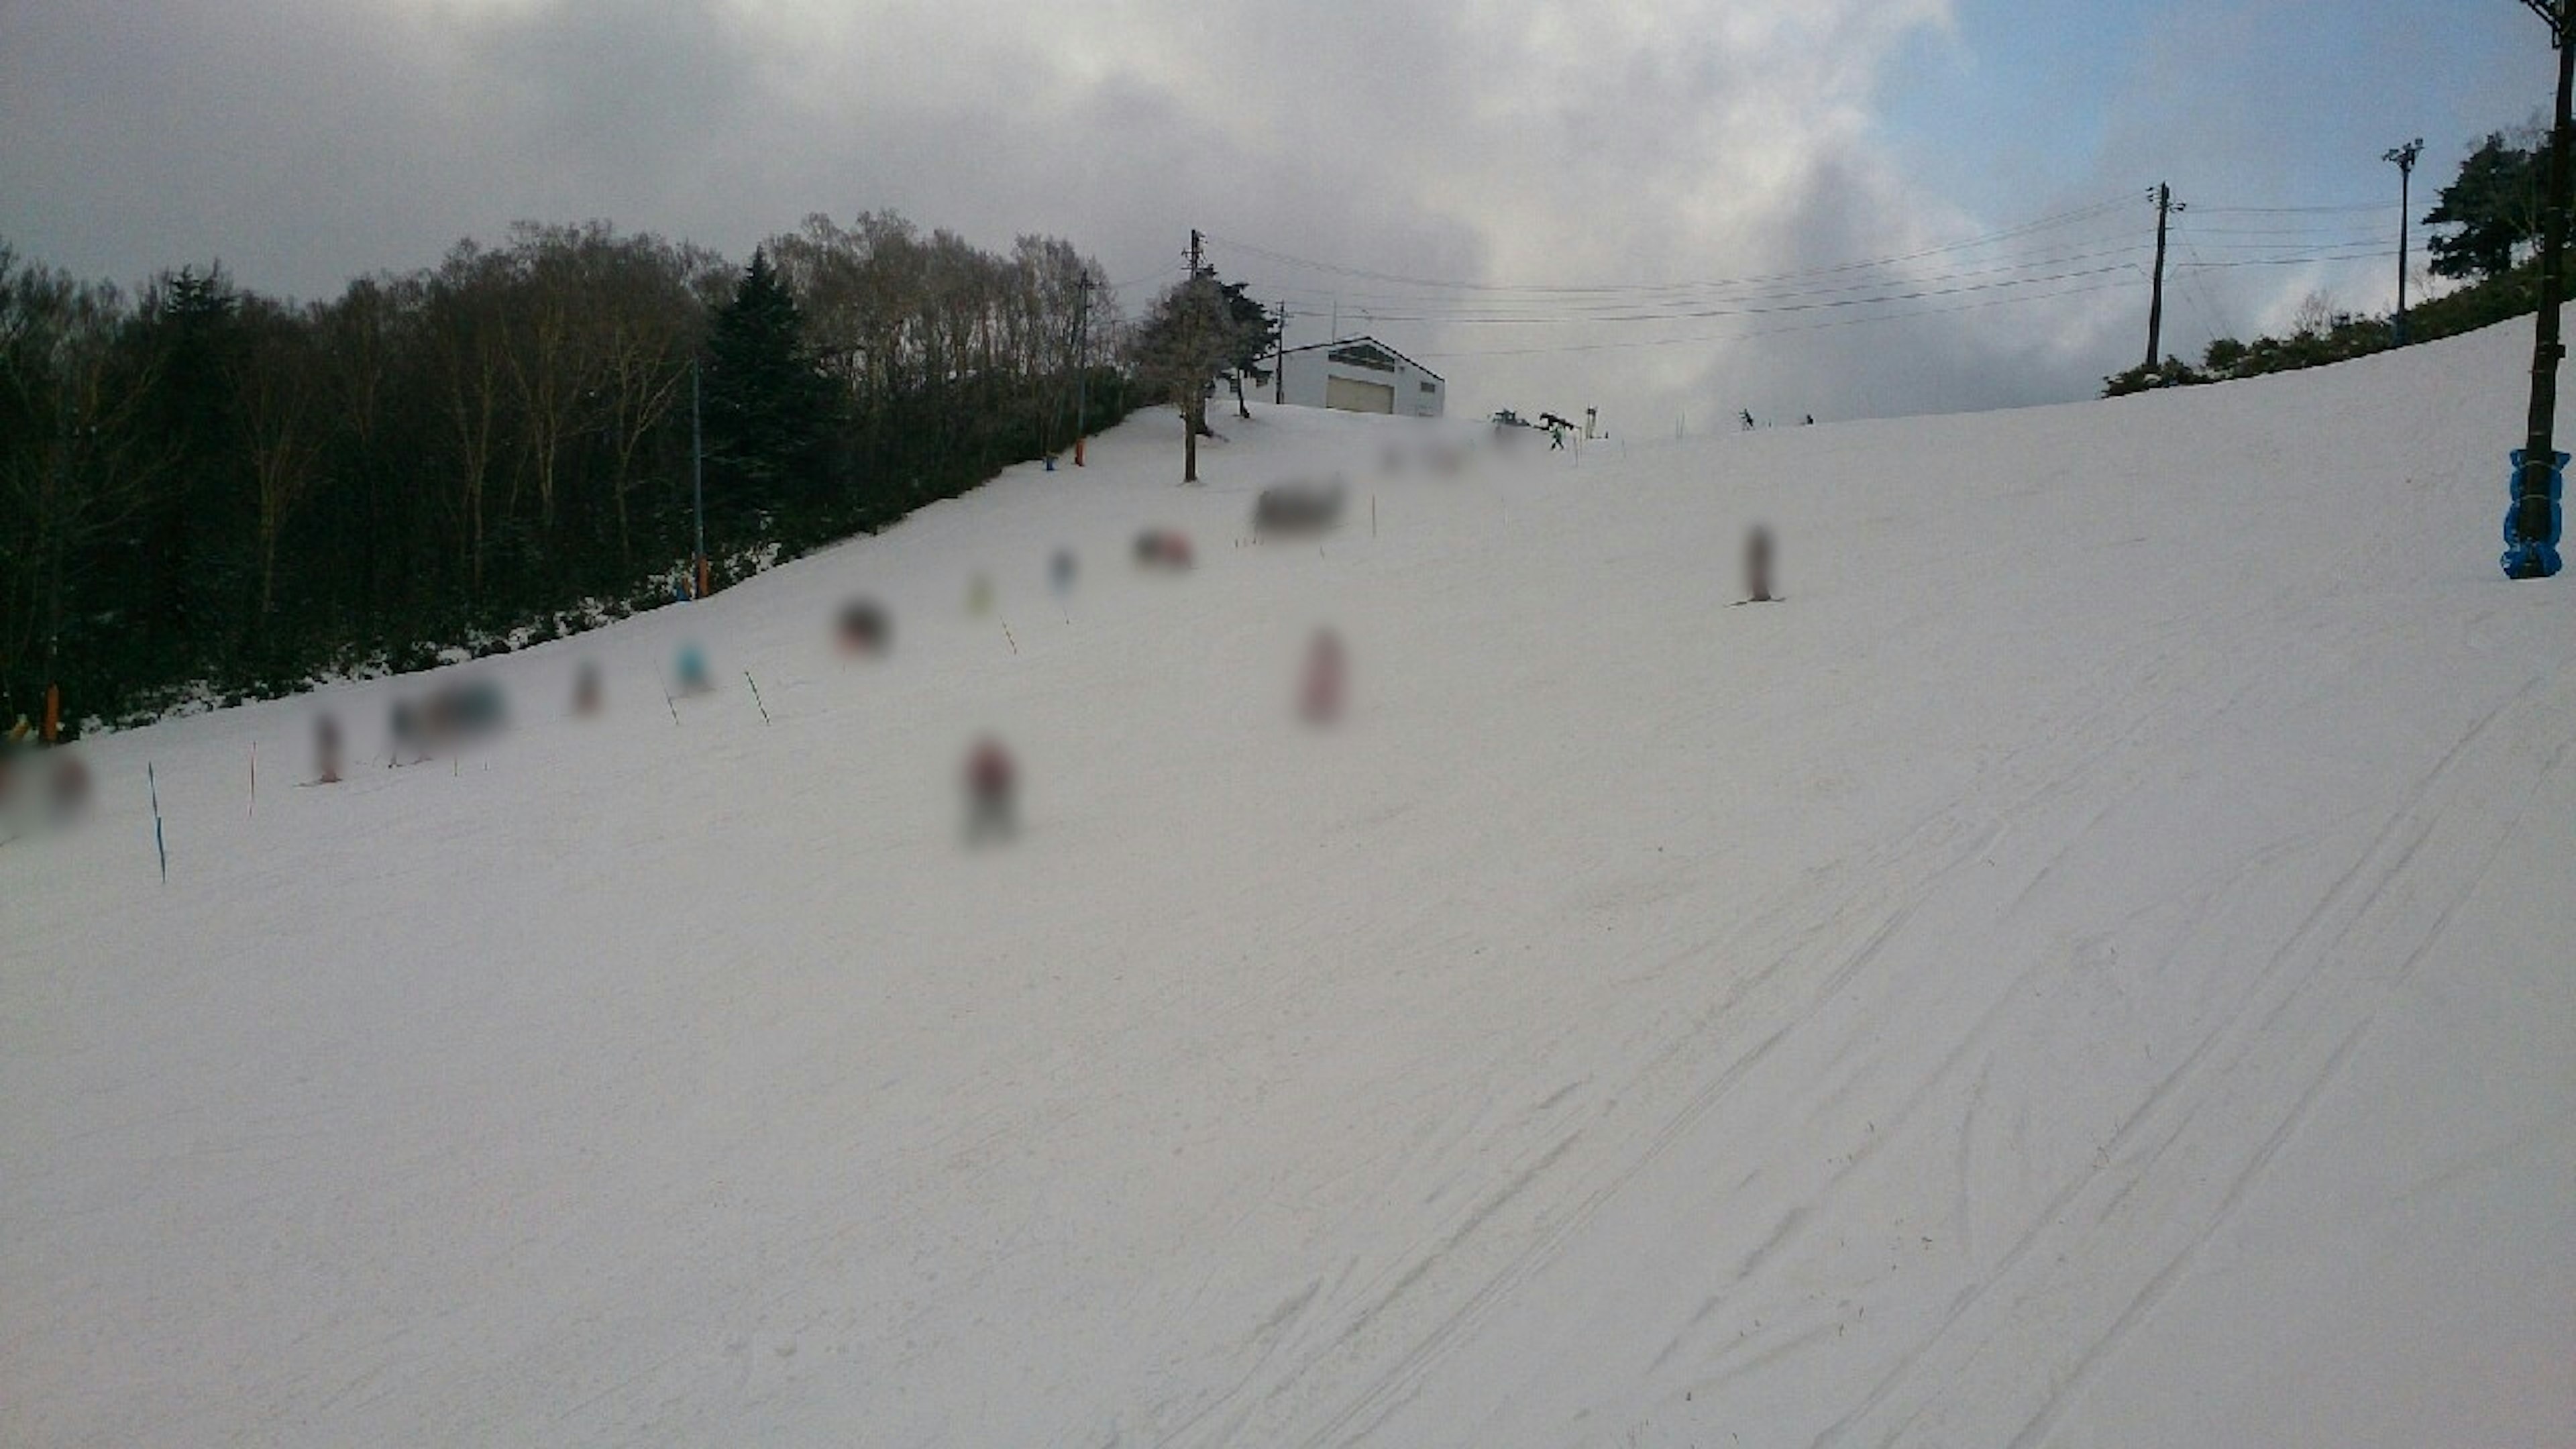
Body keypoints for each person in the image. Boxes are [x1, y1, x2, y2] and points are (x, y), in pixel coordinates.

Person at [964, 737, 1016, 843]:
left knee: (1001, 814)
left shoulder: (994, 765)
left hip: (995, 793)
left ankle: (1008, 833)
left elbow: (1004, 777)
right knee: (981, 816)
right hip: (986, 794)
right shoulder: (984, 765)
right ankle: (974, 836)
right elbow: (976, 778)